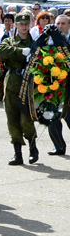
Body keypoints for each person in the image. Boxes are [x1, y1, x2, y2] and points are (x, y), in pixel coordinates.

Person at [0, 12, 37, 165]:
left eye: (26, 24)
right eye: (21, 24)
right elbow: (1, 52)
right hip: (11, 80)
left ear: (30, 25)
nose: (23, 26)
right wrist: (21, 51)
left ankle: (33, 148)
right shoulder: (9, 41)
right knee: (12, 117)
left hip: (27, 82)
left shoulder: (34, 43)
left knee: (26, 118)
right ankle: (17, 153)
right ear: (16, 25)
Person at [46, 14, 70, 156]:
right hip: (52, 84)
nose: (60, 26)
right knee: (51, 115)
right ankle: (58, 145)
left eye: (63, 24)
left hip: (68, 84)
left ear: (68, 26)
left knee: (69, 116)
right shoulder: (49, 40)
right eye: (58, 24)